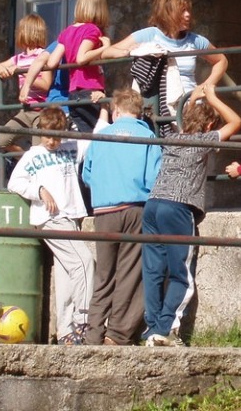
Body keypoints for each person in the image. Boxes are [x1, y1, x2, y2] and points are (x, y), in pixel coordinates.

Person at [142, 83, 241, 346]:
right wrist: (212, 97)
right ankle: (164, 329)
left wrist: (193, 100)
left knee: (153, 270)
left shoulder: (172, 138)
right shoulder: (203, 140)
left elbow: (185, 119)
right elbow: (236, 121)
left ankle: (151, 327)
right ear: (209, 127)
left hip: (152, 204)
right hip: (178, 207)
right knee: (181, 274)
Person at [8, 106, 94, 345]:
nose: (52, 141)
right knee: (85, 263)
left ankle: (65, 330)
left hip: (71, 216)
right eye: (47, 135)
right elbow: (15, 182)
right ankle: (84, 320)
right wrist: (39, 190)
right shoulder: (33, 154)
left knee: (67, 274)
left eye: (56, 136)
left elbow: (96, 139)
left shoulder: (70, 147)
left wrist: (105, 112)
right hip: (51, 219)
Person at [82, 88, 162, 345]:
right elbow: (154, 178)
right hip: (136, 208)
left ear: (115, 111)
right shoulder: (148, 136)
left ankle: (93, 332)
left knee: (103, 275)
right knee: (129, 274)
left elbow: (86, 175)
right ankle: (117, 334)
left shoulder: (101, 136)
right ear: (139, 112)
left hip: (104, 211)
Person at [103, 0, 228, 106]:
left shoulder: (195, 40)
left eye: (188, 10)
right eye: (182, 11)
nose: (187, 15)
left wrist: (206, 86)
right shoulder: (149, 35)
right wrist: (128, 52)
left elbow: (221, 60)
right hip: (159, 106)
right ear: (167, 13)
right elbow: (107, 52)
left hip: (190, 105)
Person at [20, 0, 110, 133]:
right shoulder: (93, 30)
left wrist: (26, 86)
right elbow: (81, 58)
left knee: (83, 135)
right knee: (99, 132)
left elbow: (52, 62)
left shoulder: (67, 32)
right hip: (90, 89)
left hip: (73, 93)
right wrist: (104, 47)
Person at [0, 13, 51, 154]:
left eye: (21, 30)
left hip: (40, 111)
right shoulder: (19, 58)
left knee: (38, 150)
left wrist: (22, 72)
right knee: (2, 139)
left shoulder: (43, 55)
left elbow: (46, 84)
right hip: (25, 110)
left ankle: (34, 165)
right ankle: (25, 159)